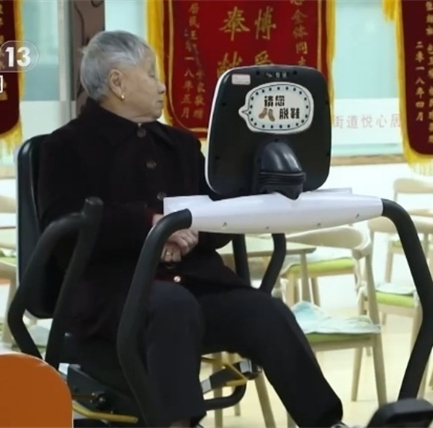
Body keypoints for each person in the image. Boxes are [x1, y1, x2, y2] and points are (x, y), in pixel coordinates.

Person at [37, 31, 345, 428]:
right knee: (171, 306)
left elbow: (219, 220)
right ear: (117, 83)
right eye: (151, 74)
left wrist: (198, 227)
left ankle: (326, 422)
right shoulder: (64, 147)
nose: (162, 85)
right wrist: (151, 228)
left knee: (264, 311)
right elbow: (64, 233)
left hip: (197, 286)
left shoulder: (180, 145)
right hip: (113, 297)